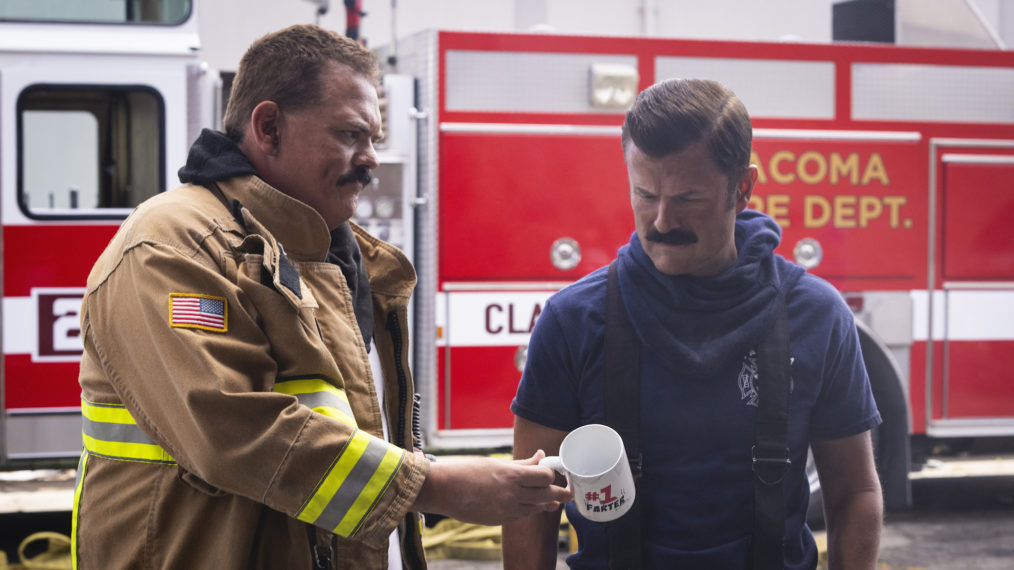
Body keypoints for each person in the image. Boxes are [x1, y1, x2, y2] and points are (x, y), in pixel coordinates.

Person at [73, 24, 569, 570]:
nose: (371, 159)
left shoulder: (339, 255)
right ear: (269, 127)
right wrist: (437, 485)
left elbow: (353, 441)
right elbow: (231, 432)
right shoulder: (169, 245)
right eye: (350, 134)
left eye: (374, 139)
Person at [502, 78, 883, 569]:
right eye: (645, 193)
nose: (661, 221)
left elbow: (854, 492)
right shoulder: (572, 320)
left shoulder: (817, 315)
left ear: (742, 188)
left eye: (687, 198)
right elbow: (530, 501)